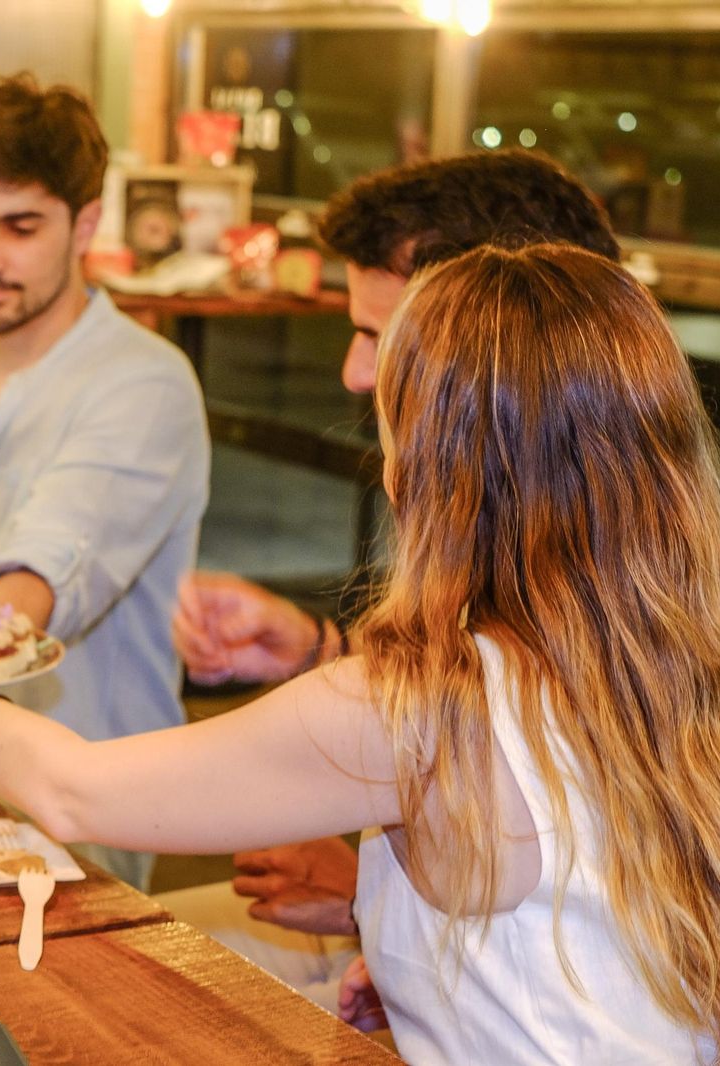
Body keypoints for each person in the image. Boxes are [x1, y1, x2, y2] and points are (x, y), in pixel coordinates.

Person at [0, 243, 720, 1065]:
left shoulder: (416, 707)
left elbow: (77, 790)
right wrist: (438, 977)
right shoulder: (703, 646)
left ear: (428, 464)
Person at [165, 150, 624, 993]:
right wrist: (315, 648)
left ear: (484, 336)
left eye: (383, 336)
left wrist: (372, 906)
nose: (351, 371)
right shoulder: (545, 513)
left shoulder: (620, 584)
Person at [0, 75, 210, 888]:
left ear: (85, 222)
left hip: (85, 813)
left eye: (20, 228)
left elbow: (33, 588)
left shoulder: (143, 382)